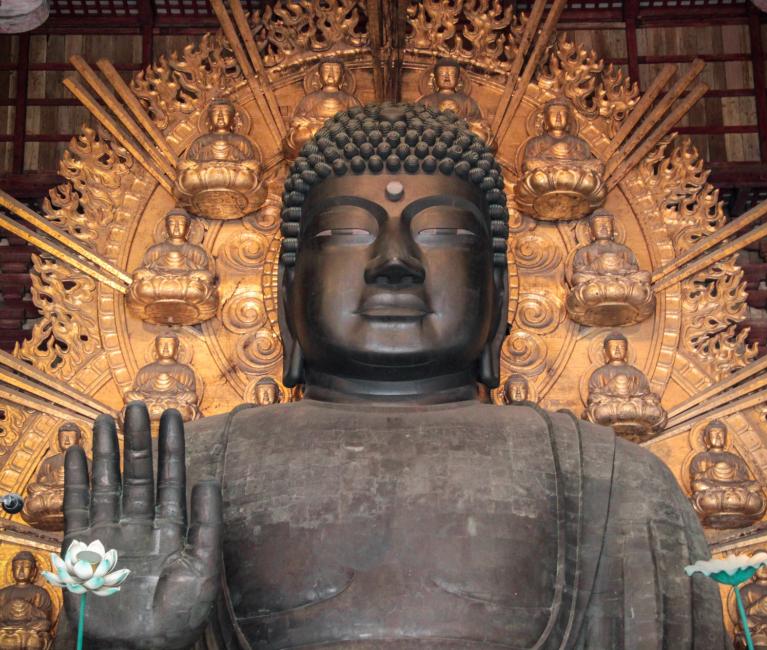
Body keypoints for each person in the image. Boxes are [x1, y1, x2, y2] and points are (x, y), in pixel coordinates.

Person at [56, 103, 726, 649]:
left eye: (443, 236)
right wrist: (114, 642)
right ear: (288, 289)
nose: (395, 261)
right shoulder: (182, 482)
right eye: (348, 233)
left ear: (498, 289)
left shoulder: (619, 487)